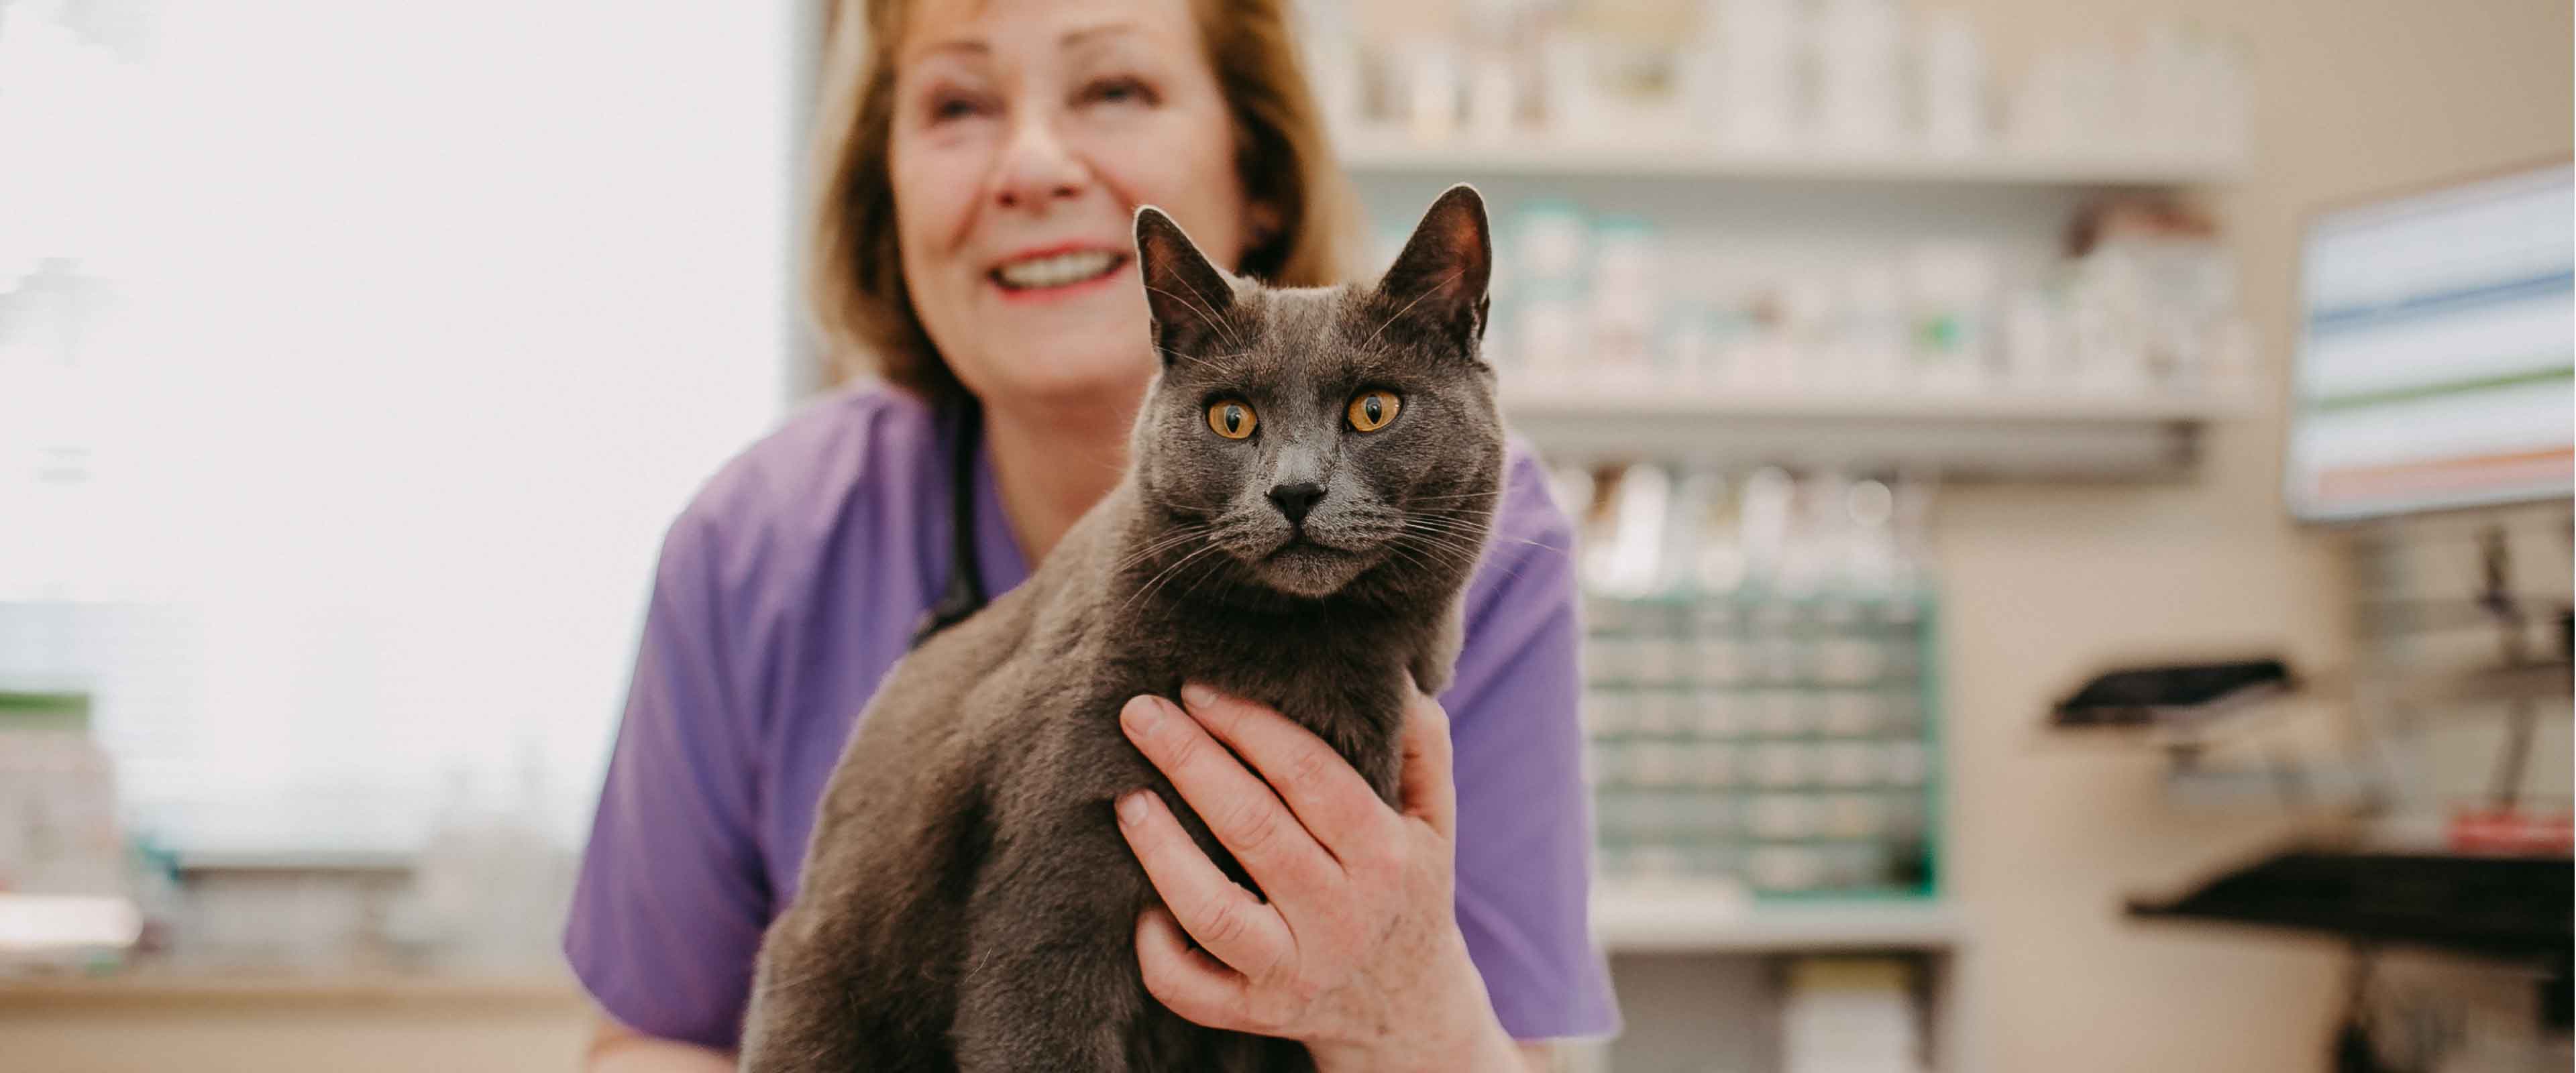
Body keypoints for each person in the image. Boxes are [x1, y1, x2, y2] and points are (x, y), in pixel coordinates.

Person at [562, 0, 1618, 1068]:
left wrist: (1412, 1012)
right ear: (883, 189)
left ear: (1257, 166)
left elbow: (1527, 1051)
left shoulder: (1491, 540)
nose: (1035, 166)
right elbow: (650, 1040)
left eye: (1115, 88)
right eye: (959, 103)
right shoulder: (759, 542)